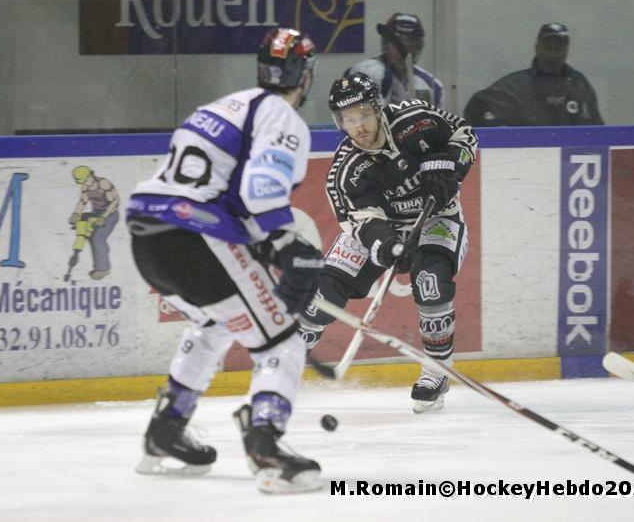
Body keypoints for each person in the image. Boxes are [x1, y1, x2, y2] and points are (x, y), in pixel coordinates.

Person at [125, 27, 324, 494]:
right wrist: (284, 243)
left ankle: (165, 432)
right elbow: (261, 186)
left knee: (214, 323)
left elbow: (216, 185)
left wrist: (258, 242)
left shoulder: (221, 106)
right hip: (196, 235)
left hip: (146, 234)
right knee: (281, 342)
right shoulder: (281, 115)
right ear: (305, 75)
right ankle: (266, 448)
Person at [299, 72, 477, 414]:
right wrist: (389, 246)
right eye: (349, 119)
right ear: (340, 122)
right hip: (384, 229)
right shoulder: (346, 171)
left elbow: (463, 132)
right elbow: (363, 224)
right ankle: (283, 363)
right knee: (323, 295)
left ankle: (436, 372)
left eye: (364, 114)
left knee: (430, 282)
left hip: (437, 217)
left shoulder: (416, 119)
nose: (359, 126)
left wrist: (452, 164)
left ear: (378, 108)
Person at [464, 22, 604, 126]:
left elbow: (595, 131)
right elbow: (477, 107)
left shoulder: (578, 85)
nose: (553, 53)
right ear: (537, 48)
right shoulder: (515, 86)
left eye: (559, 48)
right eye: (547, 47)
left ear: (567, 50)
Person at [348, 12, 444, 108]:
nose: (402, 51)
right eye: (396, 44)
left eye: (410, 44)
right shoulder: (368, 71)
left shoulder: (433, 86)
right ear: (386, 44)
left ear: (417, 48)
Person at [68, 165, 120, 280]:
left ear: (91, 175)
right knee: (91, 238)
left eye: (87, 179)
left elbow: (115, 202)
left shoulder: (103, 183)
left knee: (98, 239)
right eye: (83, 181)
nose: (86, 183)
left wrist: (104, 217)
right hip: (96, 214)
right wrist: (75, 214)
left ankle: (103, 269)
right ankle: (100, 265)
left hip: (110, 214)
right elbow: (83, 201)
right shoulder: (85, 187)